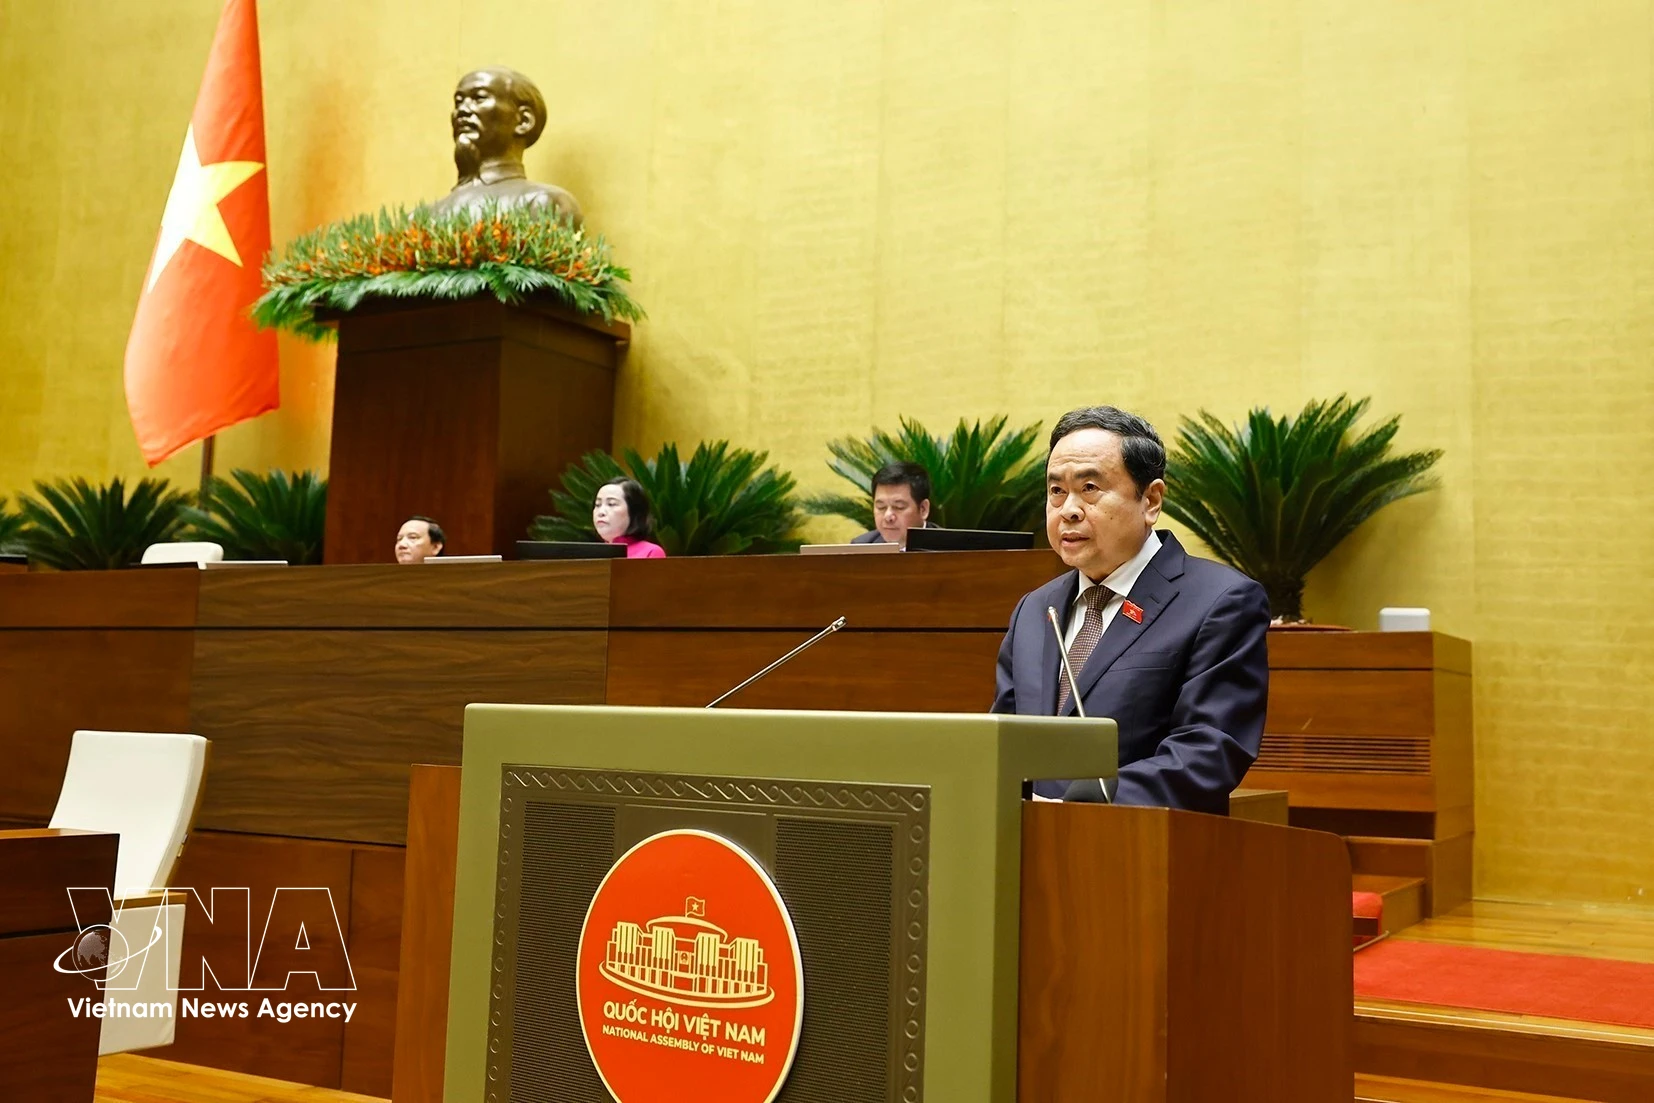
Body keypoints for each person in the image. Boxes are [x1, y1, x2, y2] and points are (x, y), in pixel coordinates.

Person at [991, 406, 1270, 814]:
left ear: (1151, 500)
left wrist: (1079, 806)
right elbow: (1003, 739)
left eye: (1089, 488)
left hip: (1143, 855)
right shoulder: (1035, 609)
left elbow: (1208, 752)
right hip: (1024, 854)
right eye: (1056, 491)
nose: (1068, 509)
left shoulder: (1220, 601)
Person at [428, 67, 583, 224]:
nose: (462, 110)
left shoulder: (543, 203)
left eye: (479, 98)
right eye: (458, 102)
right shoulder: (421, 218)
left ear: (523, 121)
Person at [850, 462, 935, 547]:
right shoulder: (861, 547)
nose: (888, 516)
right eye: (881, 507)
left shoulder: (946, 549)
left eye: (899, 507)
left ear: (923, 509)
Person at [593, 479, 667, 558]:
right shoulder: (590, 554)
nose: (601, 512)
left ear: (634, 511)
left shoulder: (651, 552)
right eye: (598, 505)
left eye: (611, 504)